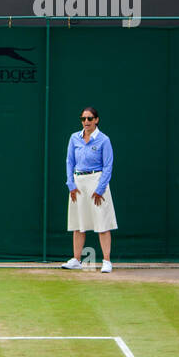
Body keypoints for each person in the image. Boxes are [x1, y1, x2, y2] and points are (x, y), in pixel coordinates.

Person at [63, 107, 116, 272]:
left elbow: (108, 166)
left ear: (96, 120)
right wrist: (70, 184)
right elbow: (69, 161)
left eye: (90, 118)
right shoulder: (74, 138)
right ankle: (76, 259)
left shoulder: (104, 140)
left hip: (97, 180)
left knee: (102, 222)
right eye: (83, 119)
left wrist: (100, 188)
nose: (86, 122)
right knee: (78, 223)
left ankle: (106, 261)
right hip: (78, 182)